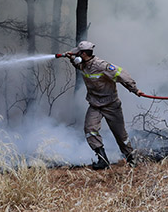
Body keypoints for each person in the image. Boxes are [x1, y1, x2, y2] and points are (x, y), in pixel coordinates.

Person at [61, 40, 142, 170]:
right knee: (90, 130)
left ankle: (132, 159)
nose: (77, 56)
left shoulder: (102, 66)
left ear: (83, 54)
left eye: (78, 53)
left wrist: (134, 89)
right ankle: (103, 160)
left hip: (111, 105)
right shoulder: (83, 64)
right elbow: (77, 64)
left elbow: (122, 75)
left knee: (120, 135)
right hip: (95, 105)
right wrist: (71, 58)